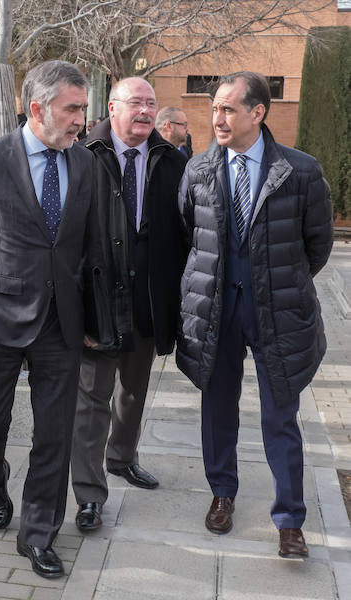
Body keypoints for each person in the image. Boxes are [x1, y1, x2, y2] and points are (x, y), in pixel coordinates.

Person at [0, 60, 97, 579]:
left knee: (54, 434)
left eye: (83, 108)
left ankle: (38, 533)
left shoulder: (87, 164)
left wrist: (94, 316)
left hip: (62, 325)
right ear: (37, 108)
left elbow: (91, 249)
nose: (81, 119)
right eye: (72, 108)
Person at [178, 71, 333, 558]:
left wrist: (275, 280)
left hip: (278, 312)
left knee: (280, 414)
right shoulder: (199, 169)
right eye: (214, 109)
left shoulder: (300, 171)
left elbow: (318, 246)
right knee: (217, 406)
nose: (216, 119)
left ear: (258, 113)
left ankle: (290, 519)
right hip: (218, 310)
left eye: (227, 109)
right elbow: (193, 234)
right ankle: (222, 494)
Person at [71, 78, 188, 532]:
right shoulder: (82, 157)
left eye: (150, 104)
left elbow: (184, 234)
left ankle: (121, 458)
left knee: (133, 391)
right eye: (135, 102)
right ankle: (88, 493)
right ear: (112, 108)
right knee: (92, 401)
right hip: (97, 301)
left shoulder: (171, 161)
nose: (144, 111)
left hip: (148, 302)